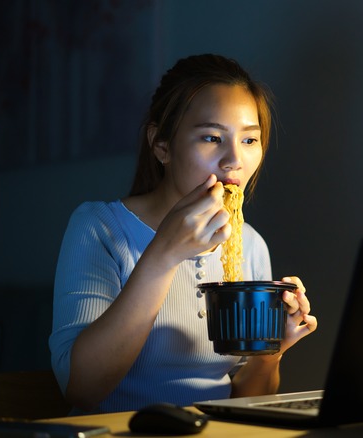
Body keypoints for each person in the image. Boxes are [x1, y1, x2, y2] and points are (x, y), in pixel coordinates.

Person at [49, 54, 317, 413]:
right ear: (161, 145)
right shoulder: (99, 228)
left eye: (250, 140)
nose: (234, 160)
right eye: (211, 137)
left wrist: (271, 353)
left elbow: (248, 403)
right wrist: (164, 253)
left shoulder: (249, 244)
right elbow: (80, 389)